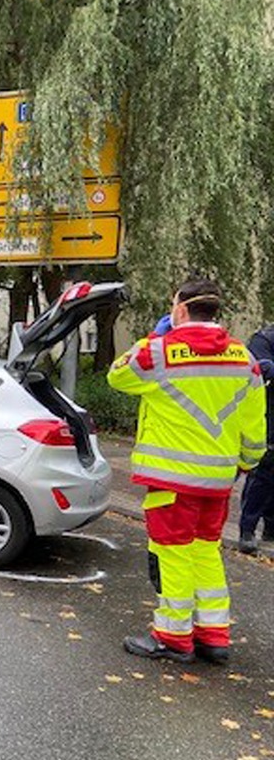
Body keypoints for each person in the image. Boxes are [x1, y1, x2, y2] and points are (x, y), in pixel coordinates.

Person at [107, 278, 266, 664]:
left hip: (171, 480)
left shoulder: (157, 353)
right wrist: (244, 464)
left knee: (172, 555)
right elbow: (255, 428)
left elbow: (117, 375)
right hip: (218, 482)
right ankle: (214, 636)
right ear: (215, 311)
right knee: (206, 553)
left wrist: (152, 338)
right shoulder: (245, 359)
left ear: (179, 309)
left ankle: (174, 637)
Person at [238, 323, 274, 553]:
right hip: (269, 411)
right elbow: (259, 368)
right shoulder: (265, 338)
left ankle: (271, 528)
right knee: (264, 471)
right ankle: (247, 529)